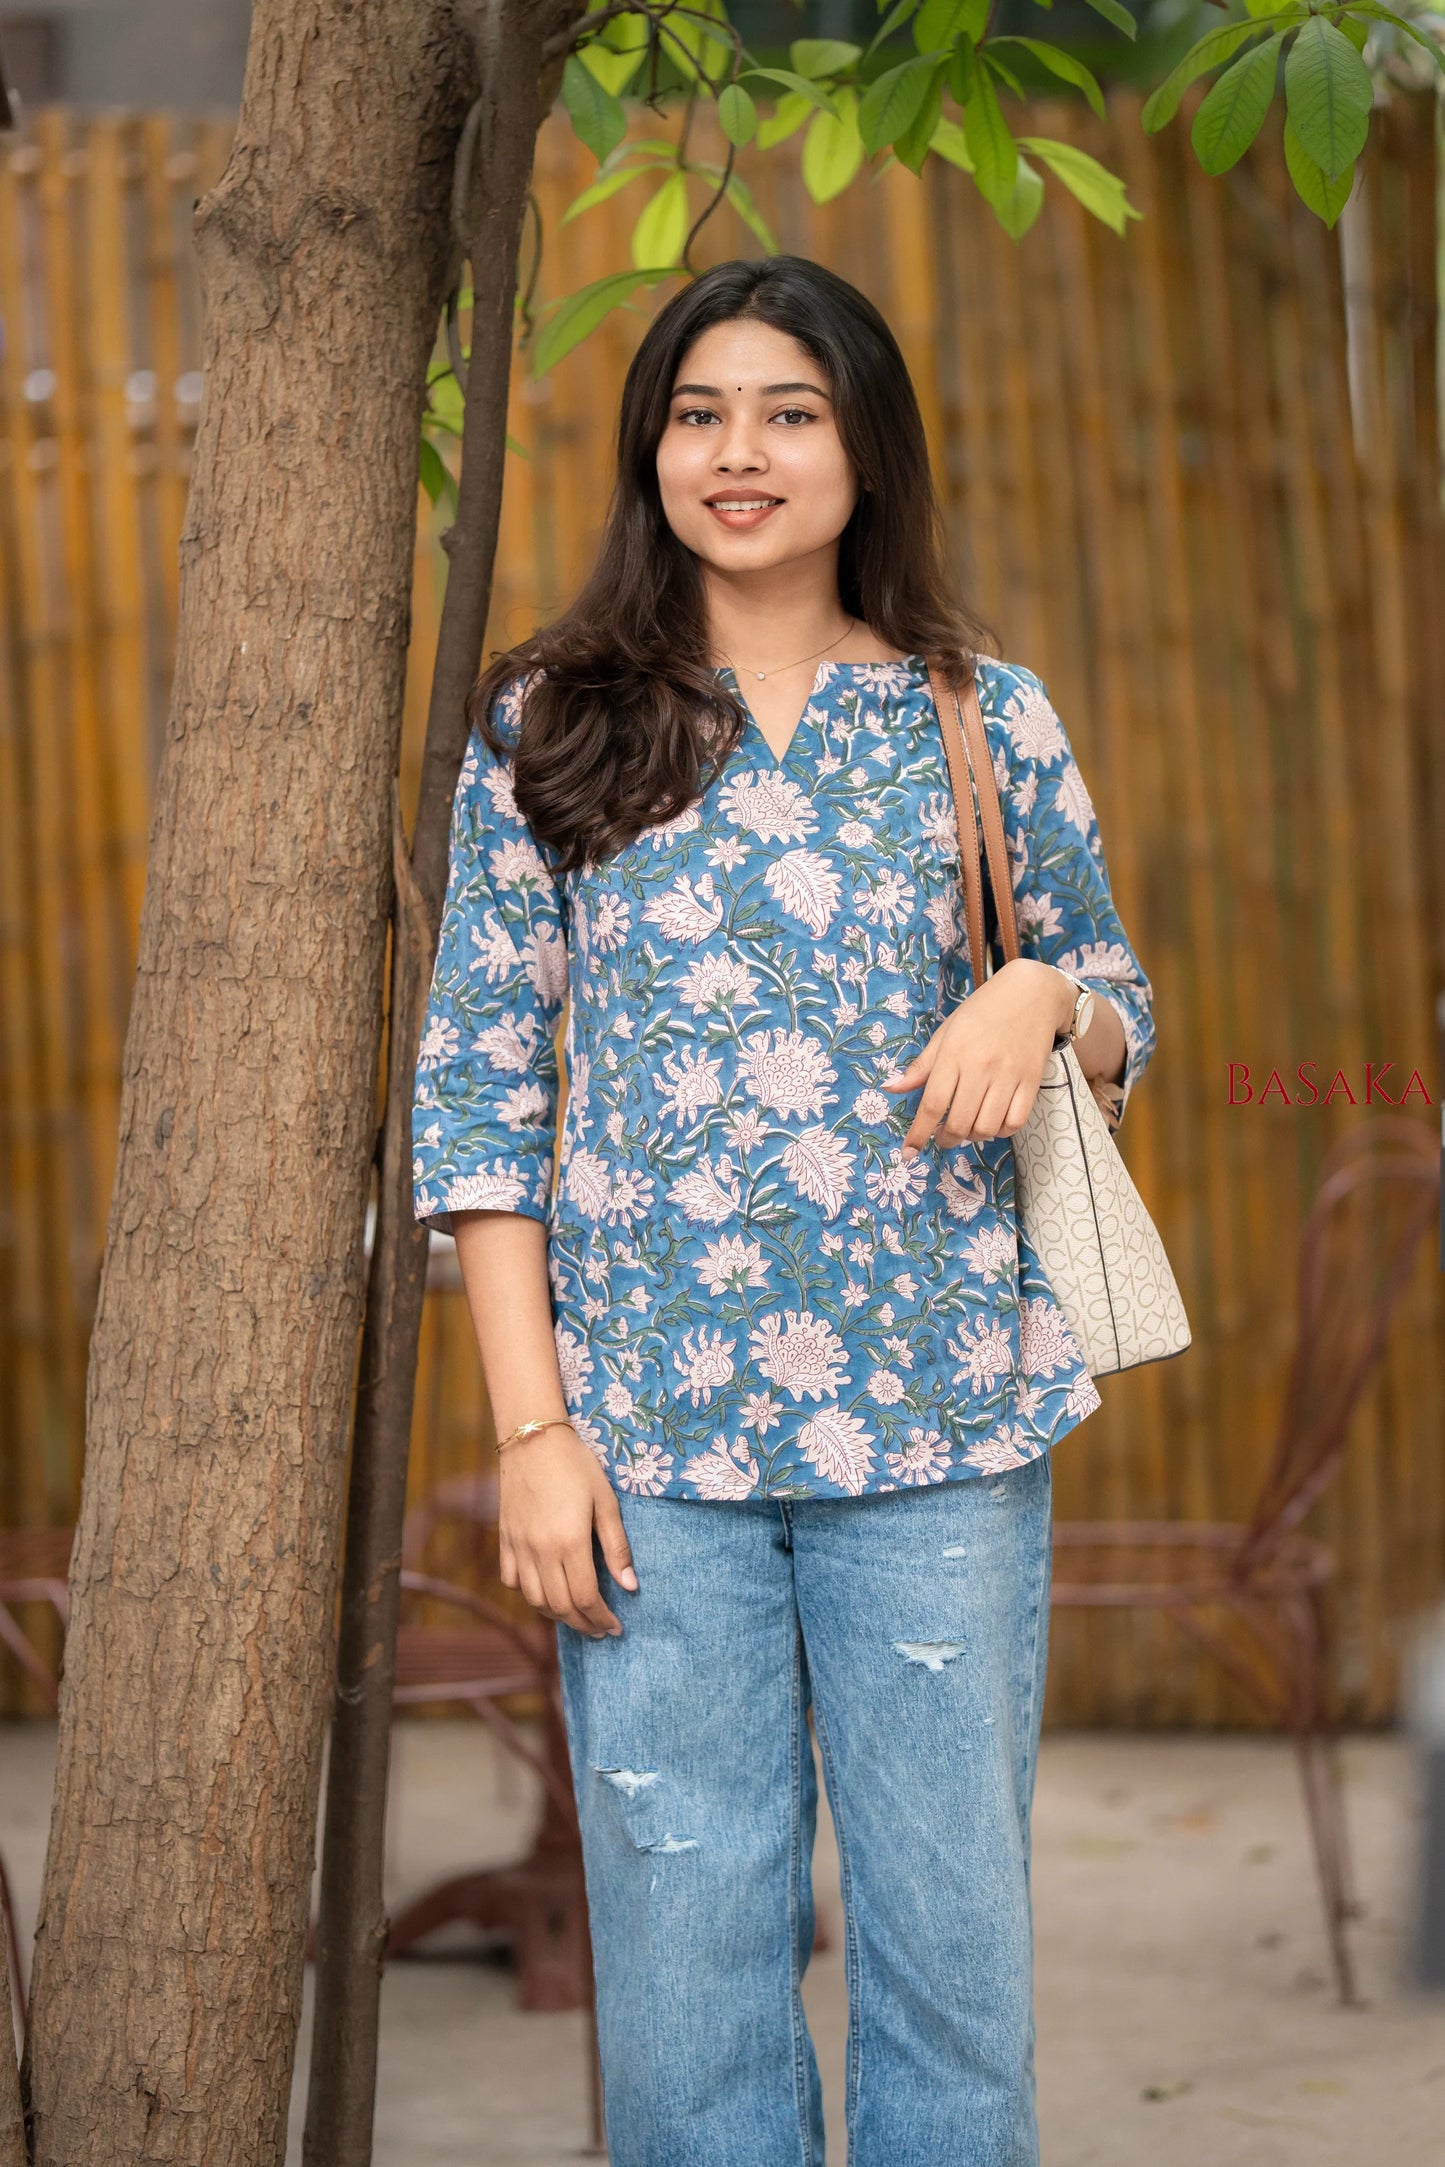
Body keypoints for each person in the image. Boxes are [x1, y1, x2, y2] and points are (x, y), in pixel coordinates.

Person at [411, 254, 1156, 2167]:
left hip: (940, 1431)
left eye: (789, 412)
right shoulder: (550, 724)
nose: (738, 455)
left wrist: (1040, 993)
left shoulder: (980, 719)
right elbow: (481, 1103)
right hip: (645, 1450)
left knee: (950, 1973)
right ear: (651, 448)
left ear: (862, 449)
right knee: (684, 1986)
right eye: (696, 412)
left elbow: (1113, 994)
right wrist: (534, 1438)